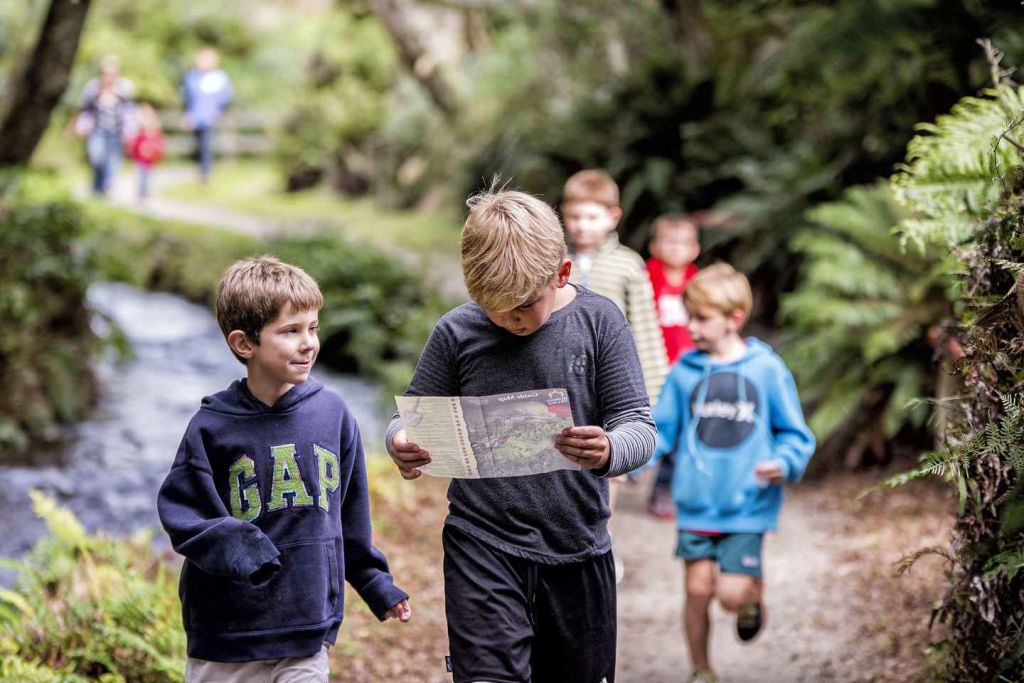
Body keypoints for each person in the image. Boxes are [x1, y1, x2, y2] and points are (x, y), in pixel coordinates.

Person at [386, 188, 656, 683]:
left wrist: (609, 449)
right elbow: (411, 417)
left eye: (523, 306)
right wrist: (401, 442)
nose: (510, 319)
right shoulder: (457, 332)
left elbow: (639, 425)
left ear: (562, 274)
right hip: (481, 542)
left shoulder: (600, 322)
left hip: (578, 549)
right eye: (494, 308)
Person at [157, 256, 411, 682]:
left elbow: (349, 517)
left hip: (307, 630)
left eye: (313, 327)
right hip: (227, 638)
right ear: (244, 344)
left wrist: (373, 581)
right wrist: (245, 548)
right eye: (291, 331)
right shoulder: (211, 428)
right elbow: (185, 516)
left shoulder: (332, 415)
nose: (309, 342)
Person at [649, 263, 815, 683]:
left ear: (734, 319)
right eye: (689, 316)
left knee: (729, 596)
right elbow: (660, 431)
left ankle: (751, 597)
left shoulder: (766, 369)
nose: (692, 327)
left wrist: (785, 462)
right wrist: (624, 460)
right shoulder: (684, 372)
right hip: (696, 502)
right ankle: (701, 670)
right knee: (697, 589)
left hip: (747, 504)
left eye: (702, 318)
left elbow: (794, 433)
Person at [561, 169, 668, 404]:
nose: (582, 225)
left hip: (614, 374)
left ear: (613, 217)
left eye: (592, 217)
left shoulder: (628, 265)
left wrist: (654, 394)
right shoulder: (555, 261)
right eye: (575, 216)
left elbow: (645, 329)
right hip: (566, 379)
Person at [645, 213, 702, 519]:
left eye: (683, 243)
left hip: (687, 371)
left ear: (695, 249)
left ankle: (664, 488)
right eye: (669, 242)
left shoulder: (698, 283)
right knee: (652, 422)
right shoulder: (647, 277)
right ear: (655, 246)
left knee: (680, 430)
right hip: (653, 366)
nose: (676, 248)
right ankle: (632, 459)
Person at [76, 55, 135, 197]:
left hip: (116, 132)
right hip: (97, 130)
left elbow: (129, 111)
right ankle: (97, 187)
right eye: (106, 73)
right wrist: (81, 125)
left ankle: (106, 189)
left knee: (113, 161)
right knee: (96, 158)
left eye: (112, 74)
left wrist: (130, 131)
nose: (109, 77)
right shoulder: (93, 88)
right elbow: (85, 109)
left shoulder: (124, 88)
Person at [181, 46, 232, 185]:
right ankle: (200, 173)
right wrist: (187, 115)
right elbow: (187, 98)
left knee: (206, 146)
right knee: (197, 147)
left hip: (210, 118)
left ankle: (205, 175)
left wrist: (219, 112)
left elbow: (225, 97)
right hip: (196, 118)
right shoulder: (192, 77)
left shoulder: (219, 77)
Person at [128, 103, 165, 201]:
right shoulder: (139, 134)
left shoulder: (155, 133)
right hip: (140, 161)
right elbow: (134, 145)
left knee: (148, 178)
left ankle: (146, 194)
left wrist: (154, 153)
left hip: (151, 161)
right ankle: (140, 194)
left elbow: (160, 145)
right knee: (140, 177)